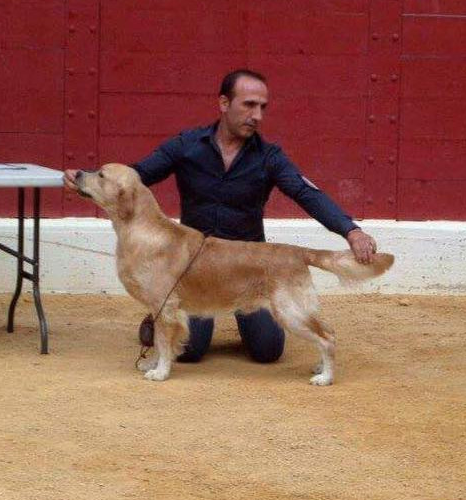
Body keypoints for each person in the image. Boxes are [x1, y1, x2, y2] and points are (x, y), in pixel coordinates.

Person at [65, 69, 378, 363]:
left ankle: (190, 313)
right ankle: (161, 307)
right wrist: (85, 182)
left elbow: (306, 193)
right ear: (224, 103)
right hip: (192, 267)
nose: (257, 115)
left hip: (248, 266)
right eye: (249, 105)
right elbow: (135, 175)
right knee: (189, 353)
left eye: (262, 107)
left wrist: (350, 230)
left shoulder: (270, 157)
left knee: (268, 351)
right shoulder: (186, 145)